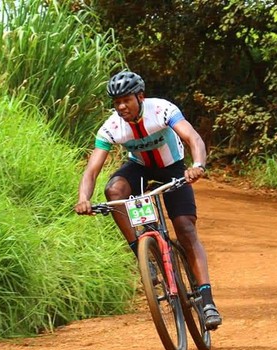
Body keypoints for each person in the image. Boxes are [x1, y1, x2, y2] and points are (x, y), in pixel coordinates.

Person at [74, 70, 222, 330]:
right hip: (140, 170)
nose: (121, 106)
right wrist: (83, 198)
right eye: (116, 102)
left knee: (186, 229)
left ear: (140, 96)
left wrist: (198, 164)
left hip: (173, 168)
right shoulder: (112, 127)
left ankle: (207, 301)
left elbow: (192, 138)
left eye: (126, 100)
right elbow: (92, 169)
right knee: (115, 192)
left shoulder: (162, 109)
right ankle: (144, 257)